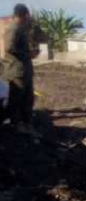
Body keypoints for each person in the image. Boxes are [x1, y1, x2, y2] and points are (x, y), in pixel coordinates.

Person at [2, 4, 34, 134]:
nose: (27, 20)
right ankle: (15, 125)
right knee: (16, 99)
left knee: (27, 98)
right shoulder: (13, 29)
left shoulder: (20, 29)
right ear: (23, 16)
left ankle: (26, 124)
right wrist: (28, 54)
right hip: (16, 71)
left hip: (23, 70)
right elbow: (10, 48)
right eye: (26, 17)